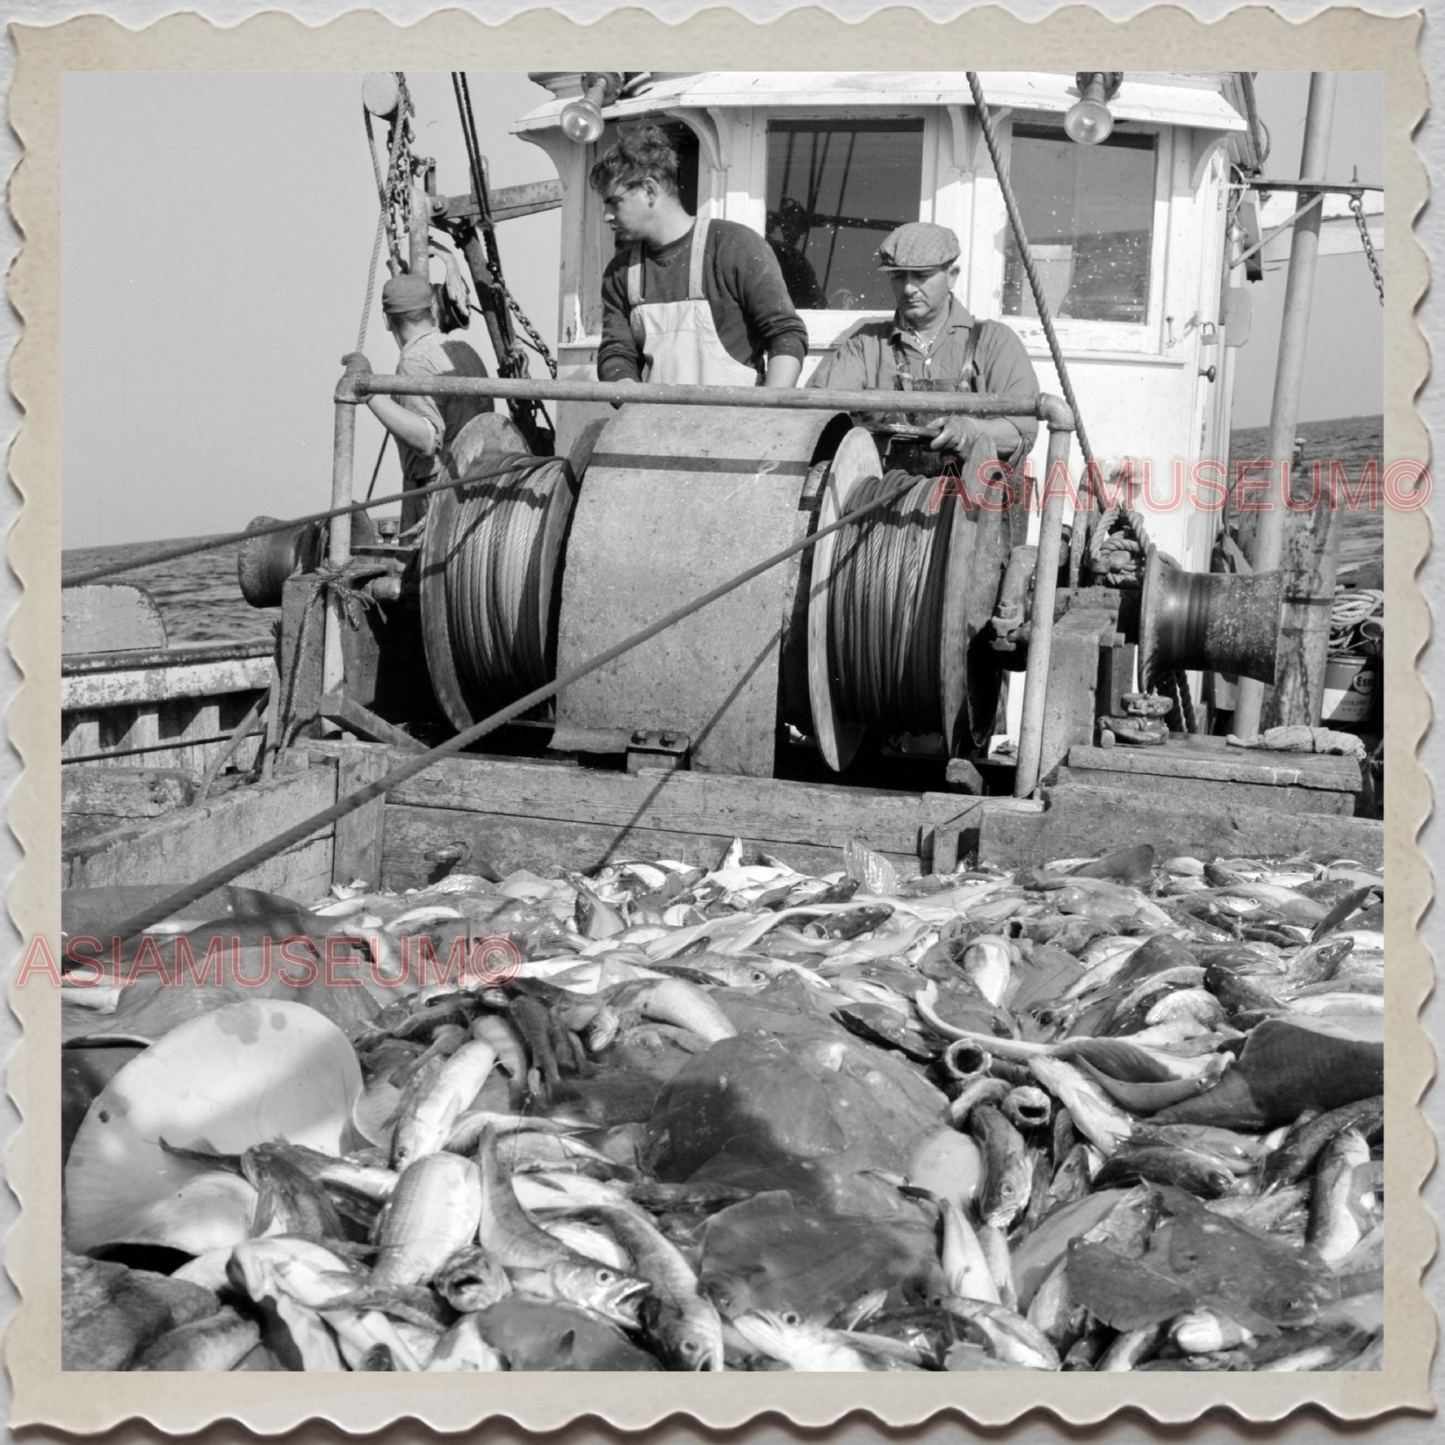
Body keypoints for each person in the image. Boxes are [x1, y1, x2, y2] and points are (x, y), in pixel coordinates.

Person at [807, 222, 1039, 475]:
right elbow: (813, 418)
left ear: (952, 275)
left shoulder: (995, 341)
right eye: (898, 276)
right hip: (877, 505)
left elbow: (1019, 432)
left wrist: (971, 430)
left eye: (921, 276)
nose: (908, 288)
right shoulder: (865, 345)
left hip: (971, 507)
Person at [591, 126, 808, 389]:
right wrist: (632, 402)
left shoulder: (734, 246)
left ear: (649, 190)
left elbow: (785, 334)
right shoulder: (621, 272)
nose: (606, 216)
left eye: (614, 202)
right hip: (656, 425)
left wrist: (770, 411)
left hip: (739, 424)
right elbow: (617, 354)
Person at [342, 272, 493, 533]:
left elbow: (427, 438)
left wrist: (368, 390)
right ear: (432, 308)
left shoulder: (414, 361)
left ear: (386, 320)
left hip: (442, 497)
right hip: (482, 485)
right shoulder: (465, 351)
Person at [767, 197, 827, 311]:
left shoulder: (792, 256)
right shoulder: (791, 256)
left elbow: (816, 301)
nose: (795, 231)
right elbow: (816, 300)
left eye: (799, 226)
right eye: (792, 223)